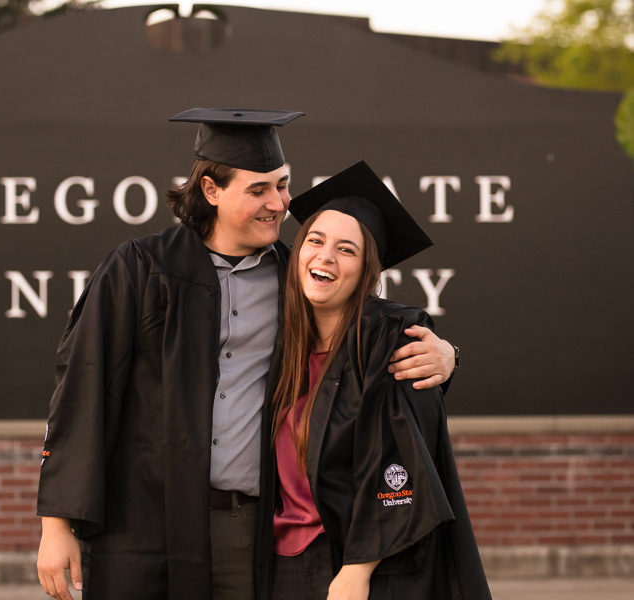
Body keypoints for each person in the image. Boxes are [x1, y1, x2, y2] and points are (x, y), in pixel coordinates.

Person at [35, 110, 458, 600]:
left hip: (248, 530)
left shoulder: (294, 278)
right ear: (212, 191)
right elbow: (81, 390)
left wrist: (446, 355)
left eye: (283, 185)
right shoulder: (139, 269)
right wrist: (55, 525)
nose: (279, 204)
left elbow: (360, 349)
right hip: (143, 527)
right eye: (259, 190)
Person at [257, 161, 490, 600]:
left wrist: (356, 569)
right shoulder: (280, 343)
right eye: (315, 240)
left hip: (360, 568)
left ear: (367, 270)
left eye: (346, 250)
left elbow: (399, 459)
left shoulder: (390, 338)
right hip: (282, 566)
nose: (324, 257)